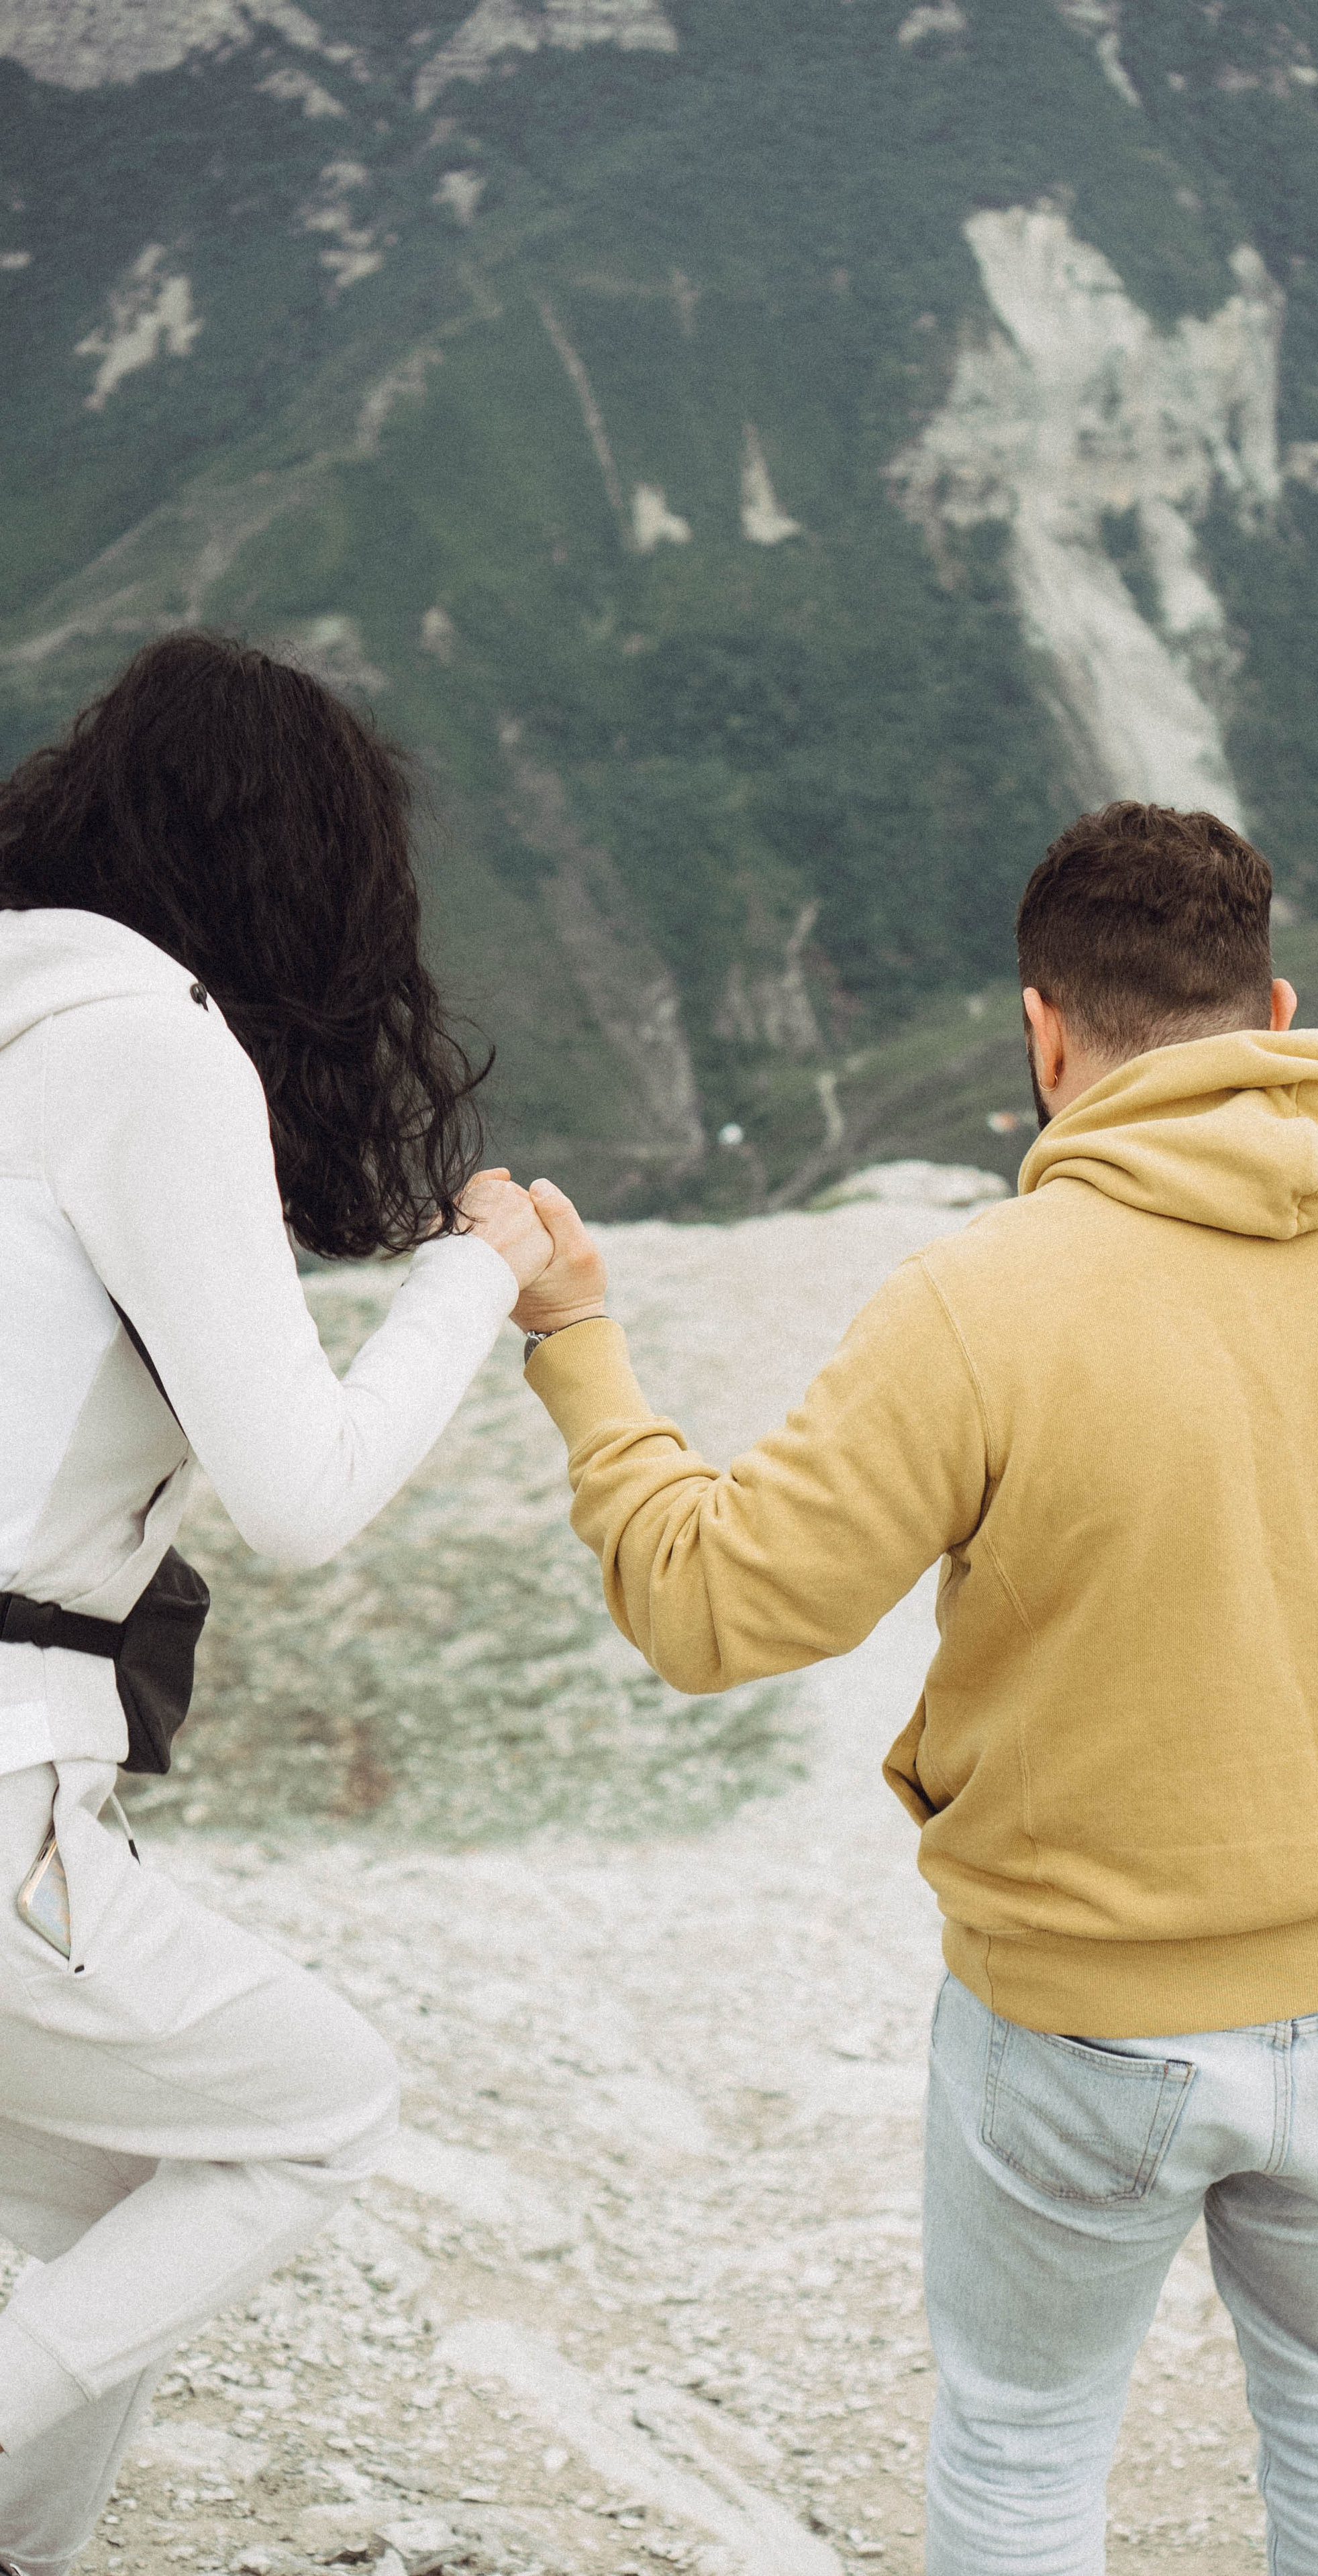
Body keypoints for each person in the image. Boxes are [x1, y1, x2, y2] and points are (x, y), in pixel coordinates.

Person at [507, 802, 1318, 2576]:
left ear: (1043, 1032)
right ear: (1282, 1009)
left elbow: (718, 1610)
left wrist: (578, 1346)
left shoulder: (980, 1302)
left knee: (1024, 2444)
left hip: (1079, 2018)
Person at [0, 635, 555, 2576]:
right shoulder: (152, 1045)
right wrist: (474, 1276)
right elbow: (303, 1494)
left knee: (125, 2191)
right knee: (312, 2106)